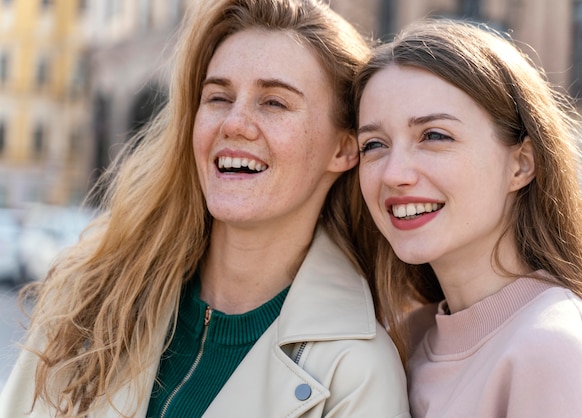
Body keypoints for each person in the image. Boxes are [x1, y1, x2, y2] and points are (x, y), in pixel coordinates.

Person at [0, 0, 412, 417]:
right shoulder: (91, 297)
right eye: (218, 97)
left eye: (274, 103)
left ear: (344, 148)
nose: (233, 123)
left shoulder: (357, 375)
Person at [353, 19, 582, 417]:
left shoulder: (555, 349)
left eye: (434, 136)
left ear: (521, 164)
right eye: (374, 144)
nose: (394, 174)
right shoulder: (406, 342)